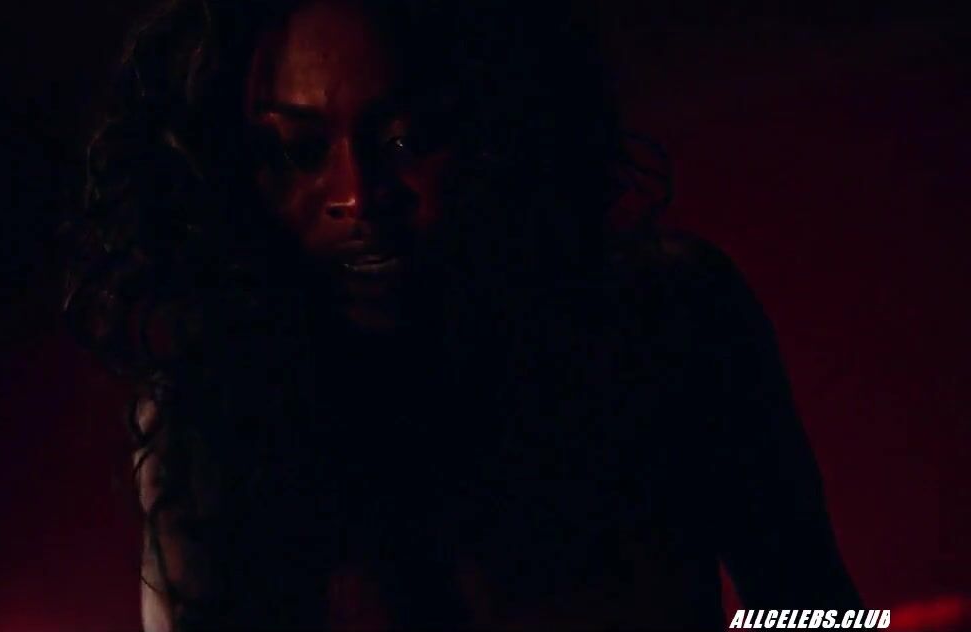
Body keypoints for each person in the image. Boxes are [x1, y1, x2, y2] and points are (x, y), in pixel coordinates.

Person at [63, 0, 863, 629]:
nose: (359, 197)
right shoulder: (209, 419)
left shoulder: (669, 317)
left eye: (407, 140)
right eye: (298, 152)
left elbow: (809, 601)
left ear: (500, 122)